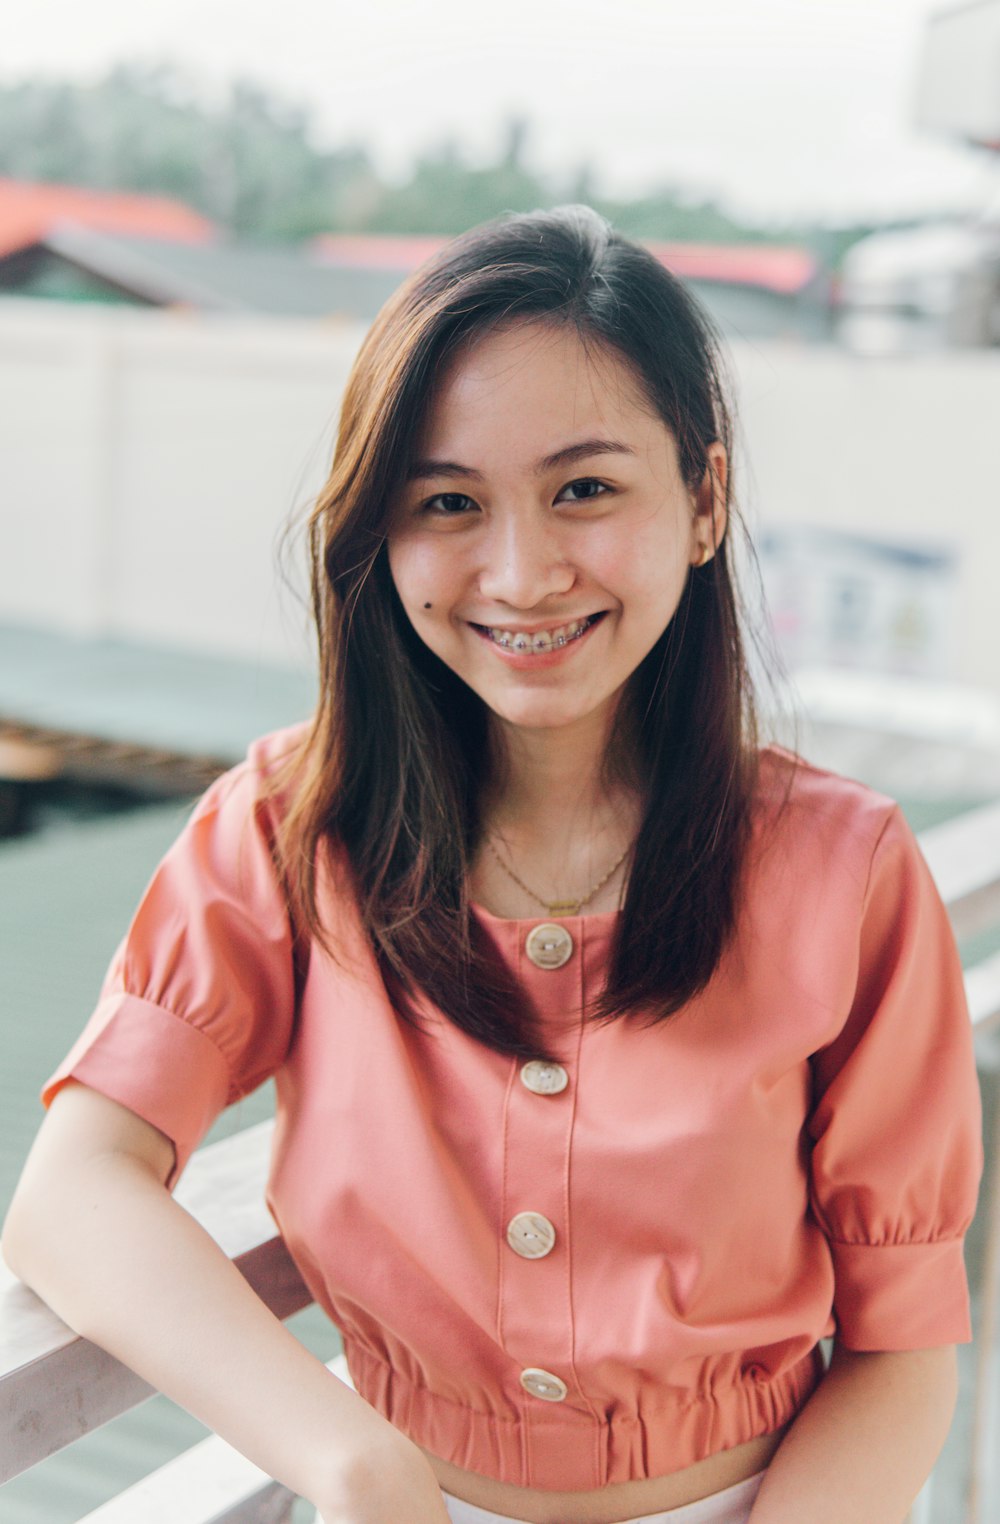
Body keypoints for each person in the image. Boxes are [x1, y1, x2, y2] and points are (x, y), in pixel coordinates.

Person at [2, 205, 983, 1524]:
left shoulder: (847, 873)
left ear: (703, 502)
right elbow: (74, 1192)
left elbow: (903, 1342)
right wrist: (351, 1459)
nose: (520, 574)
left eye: (584, 488)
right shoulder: (287, 829)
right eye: (449, 503)